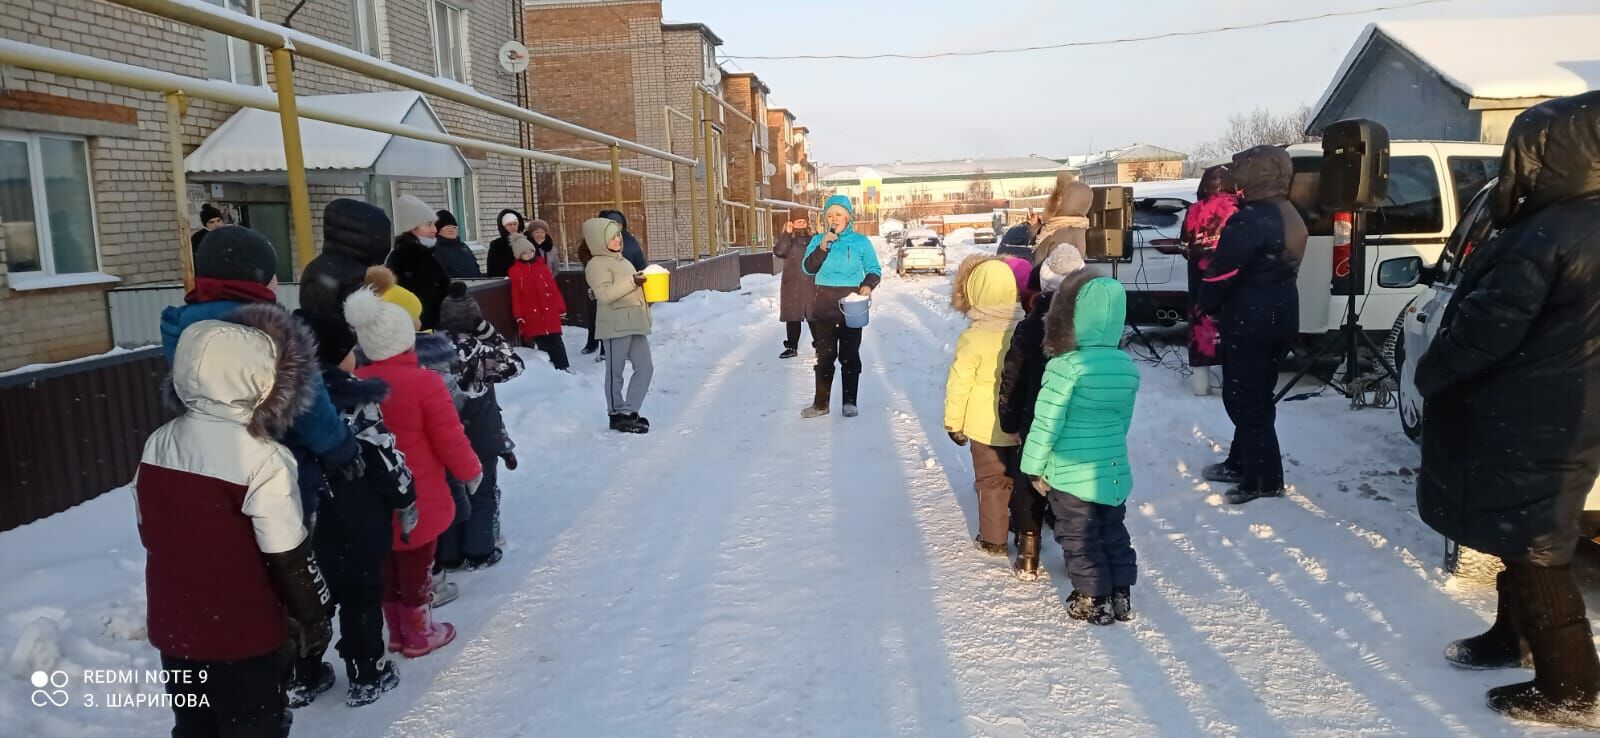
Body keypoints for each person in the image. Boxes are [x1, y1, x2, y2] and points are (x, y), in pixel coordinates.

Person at [1415, 91, 1600, 728]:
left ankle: (1570, 685)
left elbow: (1484, 329)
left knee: (1538, 545)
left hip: (1535, 408)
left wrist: (1430, 373)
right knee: (1519, 530)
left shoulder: (1549, 233)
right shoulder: (1583, 222)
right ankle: (1510, 636)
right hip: (1563, 405)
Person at [136, 304, 333, 737]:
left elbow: (151, 528)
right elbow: (287, 553)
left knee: (194, 726)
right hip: (245, 636)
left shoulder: (158, 443)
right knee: (254, 725)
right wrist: (313, 614)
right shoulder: (263, 458)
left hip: (177, 631)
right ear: (261, 379)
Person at [160, 225, 359, 525]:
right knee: (283, 554)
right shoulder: (275, 331)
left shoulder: (182, 326)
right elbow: (309, 405)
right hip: (274, 467)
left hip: (206, 464)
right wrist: (340, 448)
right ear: (258, 277)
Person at [345, 287, 482, 659]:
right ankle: (421, 631)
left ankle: (396, 631)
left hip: (375, 495)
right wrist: (470, 471)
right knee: (417, 565)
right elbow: (449, 437)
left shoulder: (356, 383)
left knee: (388, 564)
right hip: (419, 493)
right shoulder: (424, 383)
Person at [295, 311, 417, 708]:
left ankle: (305, 674)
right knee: (360, 595)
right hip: (355, 519)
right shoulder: (355, 398)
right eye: (350, 348)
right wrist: (405, 496)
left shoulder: (284, 399)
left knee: (305, 599)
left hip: (302, 522)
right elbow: (384, 457)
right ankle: (367, 673)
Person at [1021, 275, 1140, 625]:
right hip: (1112, 468)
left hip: (1070, 471)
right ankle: (1121, 593)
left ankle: (1093, 597)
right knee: (1113, 530)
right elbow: (1123, 421)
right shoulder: (1125, 366)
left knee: (1079, 534)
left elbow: (1046, 422)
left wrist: (1033, 466)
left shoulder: (1066, 367)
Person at [1197, 145, 1305, 504]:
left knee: (1246, 400)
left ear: (1256, 174)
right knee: (1257, 396)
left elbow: (1223, 272)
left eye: (1241, 169)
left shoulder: (1250, 219)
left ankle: (1264, 478)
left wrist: (1206, 303)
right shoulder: (1289, 212)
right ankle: (1241, 462)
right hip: (1279, 317)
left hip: (1252, 322)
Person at [998, 243, 1087, 580]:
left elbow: (1014, 374)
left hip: (1035, 412)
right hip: (1077, 414)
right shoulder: (1092, 322)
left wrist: (1009, 419)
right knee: (1072, 476)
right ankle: (1076, 547)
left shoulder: (1033, 323)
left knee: (1027, 476)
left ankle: (1029, 548)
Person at [435, 282, 526, 571]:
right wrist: (490, 334)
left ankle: (448, 553)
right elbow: (514, 366)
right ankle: (479, 550)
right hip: (479, 430)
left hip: (442, 430)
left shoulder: (428, 348)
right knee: (482, 489)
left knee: (449, 490)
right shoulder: (478, 350)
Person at [943, 257, 1023, 558]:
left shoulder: (973, 337)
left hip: (982, 425)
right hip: (1018, 422)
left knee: (991, 480)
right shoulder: (1026, 330)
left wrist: (954, 422)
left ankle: (993, 538)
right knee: (1018, 475)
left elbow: (959, 382)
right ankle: (1021, 523)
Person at [800, 195, 881, 419]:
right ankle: (821, 404)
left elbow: (874, 269)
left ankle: (849, 402)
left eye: (838, 214)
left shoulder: (861, 242)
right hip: (824, 304)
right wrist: (823, 246)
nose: (833, 219)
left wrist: (867, 286)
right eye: (829, 215)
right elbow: (807, 268)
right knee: (824, 357)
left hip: (852, 305)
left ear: (848, 216)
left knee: (850, 355)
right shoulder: (818, 240)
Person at [583, 216, 654, 434]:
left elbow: (630, 288)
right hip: (615, 326)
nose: (618, 240)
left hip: (635, 323)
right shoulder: (596, 264)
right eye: (612, 237)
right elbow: (604, 295)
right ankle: (616, 414)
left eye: (618, 235)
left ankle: (629, 411)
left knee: (645, 368)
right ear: (597, 240)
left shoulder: (624, 261)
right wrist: (633, 281)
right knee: (616, 372)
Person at [1180, 166, 1239, 396]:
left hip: (1199, 279)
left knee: (1200, 328)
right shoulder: (1236, 210)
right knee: (1229, 330)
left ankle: (1201, 387)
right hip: (1229, 279)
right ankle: (1230, 383)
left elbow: (1184, 246)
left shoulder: (1193, 210)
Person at [299, 199, 394, 321]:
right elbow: (368, 325)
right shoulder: (357, 276)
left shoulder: (314, 267)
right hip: (349, 339)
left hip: (310, 338)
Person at [386, 194, 451, 331]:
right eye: (428, 225)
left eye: (434, 224)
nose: (434, 229)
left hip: (433, 330)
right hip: (421, 333)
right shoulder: (405, 257)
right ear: (412, 228)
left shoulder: (427, 253)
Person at [508, 231, 571, 371]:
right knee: (542, 343)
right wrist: (519, 315)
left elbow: (554, 290)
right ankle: (550, 370)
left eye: (530, 251)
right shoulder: (515, 272)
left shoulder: (542, 267)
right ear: (518, 255)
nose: (529, 255)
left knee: (556, 340)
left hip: (549, 311)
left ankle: (563, 367)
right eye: (524, 253)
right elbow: (516, 296)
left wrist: (560, 308)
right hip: (532, 314)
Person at [1029, 177, 1093, 293]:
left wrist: (1041, 297)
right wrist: (1036, 227)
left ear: (1070, 202)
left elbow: (1057, 277)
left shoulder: (1069, 231)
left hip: (1052, 296)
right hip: (1049, 293)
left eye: (1060, 198)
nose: (1053, 202)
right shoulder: (1060, 225)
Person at [773, 216, 816, 359]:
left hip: (812, 282)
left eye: (804, 221)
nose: (801, 224)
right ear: (792, 223)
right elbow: (779, 252)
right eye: (798, 221)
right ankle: (792, 347)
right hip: (792, 283)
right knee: (793, 315)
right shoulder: (788, 240)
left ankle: (820, 347)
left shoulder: (813, 238)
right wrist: (786, 233)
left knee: (814, 315)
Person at [432, 209, 482, 279]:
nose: (451, 230)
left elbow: (476, 269)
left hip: (474, 287)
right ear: (438, 230)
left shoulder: (463, 247)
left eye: (454, 227)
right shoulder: (436, 250)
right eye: (447, 228)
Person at [486, 209, 526, 279]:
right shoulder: (497, 245)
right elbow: (492, 269)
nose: (513, 227)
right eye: (509, 225)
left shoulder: (527, 241)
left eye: (515, 224)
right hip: (506, 283)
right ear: (504, 227)